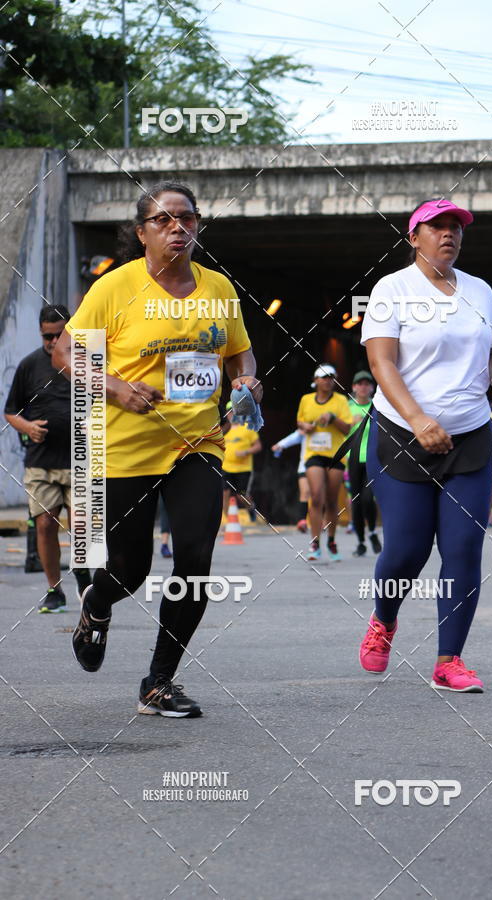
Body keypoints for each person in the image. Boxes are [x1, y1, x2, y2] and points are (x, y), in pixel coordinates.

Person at [52, 181, 261, 718]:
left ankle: (159, 681)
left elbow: (241, 354)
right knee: (129, 569)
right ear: (143, 232)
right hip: (126, 445)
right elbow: (66, 355)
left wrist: (246, 383)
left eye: (187, 218)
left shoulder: (219, 287)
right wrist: (116, 388)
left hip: (198, 441)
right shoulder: (114, 288)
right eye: (165, 220)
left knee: (194, 558)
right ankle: (96, 605)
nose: (178, 228)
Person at [358, 198, 492, 691]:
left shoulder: (481, 292)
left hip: (470, 437)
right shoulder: (391, 289)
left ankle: (449, 661)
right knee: (405, 550)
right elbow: (382, 364)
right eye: (436, 226)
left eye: (456, 227)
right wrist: (418, 418)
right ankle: (383, 619)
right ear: (412, 236)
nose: (449, 234)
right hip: (402, 432)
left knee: (463, 549)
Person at [4, 305, 92, 612]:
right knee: (44, 525)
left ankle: (83, 574)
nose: (53, 342)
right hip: (41, 461)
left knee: (82, 525)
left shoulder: (89, 360)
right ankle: (54, 590)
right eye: (47, 336)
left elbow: (112, 400)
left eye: (59, 335)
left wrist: (94, 422)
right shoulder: (29, 365)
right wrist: (27, 426)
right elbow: (10, 412)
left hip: (81, 460)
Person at [296, 364, 352, 561]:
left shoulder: (341, 400)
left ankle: (331, 540)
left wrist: (333, 417)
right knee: (316, 496)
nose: (328, 380)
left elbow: (347, 429)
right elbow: (300, 422)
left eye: (331, 377)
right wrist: (306, 426)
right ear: (316, 380)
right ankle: (315, 542)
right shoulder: (306, 399)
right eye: (324, 377)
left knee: (331, 500)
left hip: (335, 454)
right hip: (314, 454)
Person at [347, 370, 381, 557]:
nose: (363, 387)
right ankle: (361, 542)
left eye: (367, 383)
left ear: (372, 387)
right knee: (356, 502)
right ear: (354, 387)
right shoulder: (346, 408)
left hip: (371, 459)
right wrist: (349, 423)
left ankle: (373, 533)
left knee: (368, 499)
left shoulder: (377, 407)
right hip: (352, 460)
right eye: (360, 384)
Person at [222, 403, 262, 518]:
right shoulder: (225, 429)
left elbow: (258, 446)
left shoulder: (247, 428)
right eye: (230, 412)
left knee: (241, 495)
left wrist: (245, 452)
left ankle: (251, 508)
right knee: (225, 493)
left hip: (243, 468)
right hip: (226, 467)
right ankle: (226, 519)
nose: (232, 414)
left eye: (235, 412)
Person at [271, 429, 310, 531]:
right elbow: (295, 436)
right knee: (304, 492)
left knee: (318, 495)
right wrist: (280, 445)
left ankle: (323, 519)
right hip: (305, 466)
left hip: (323, 465)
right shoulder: (307, 427)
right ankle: (302, 521)